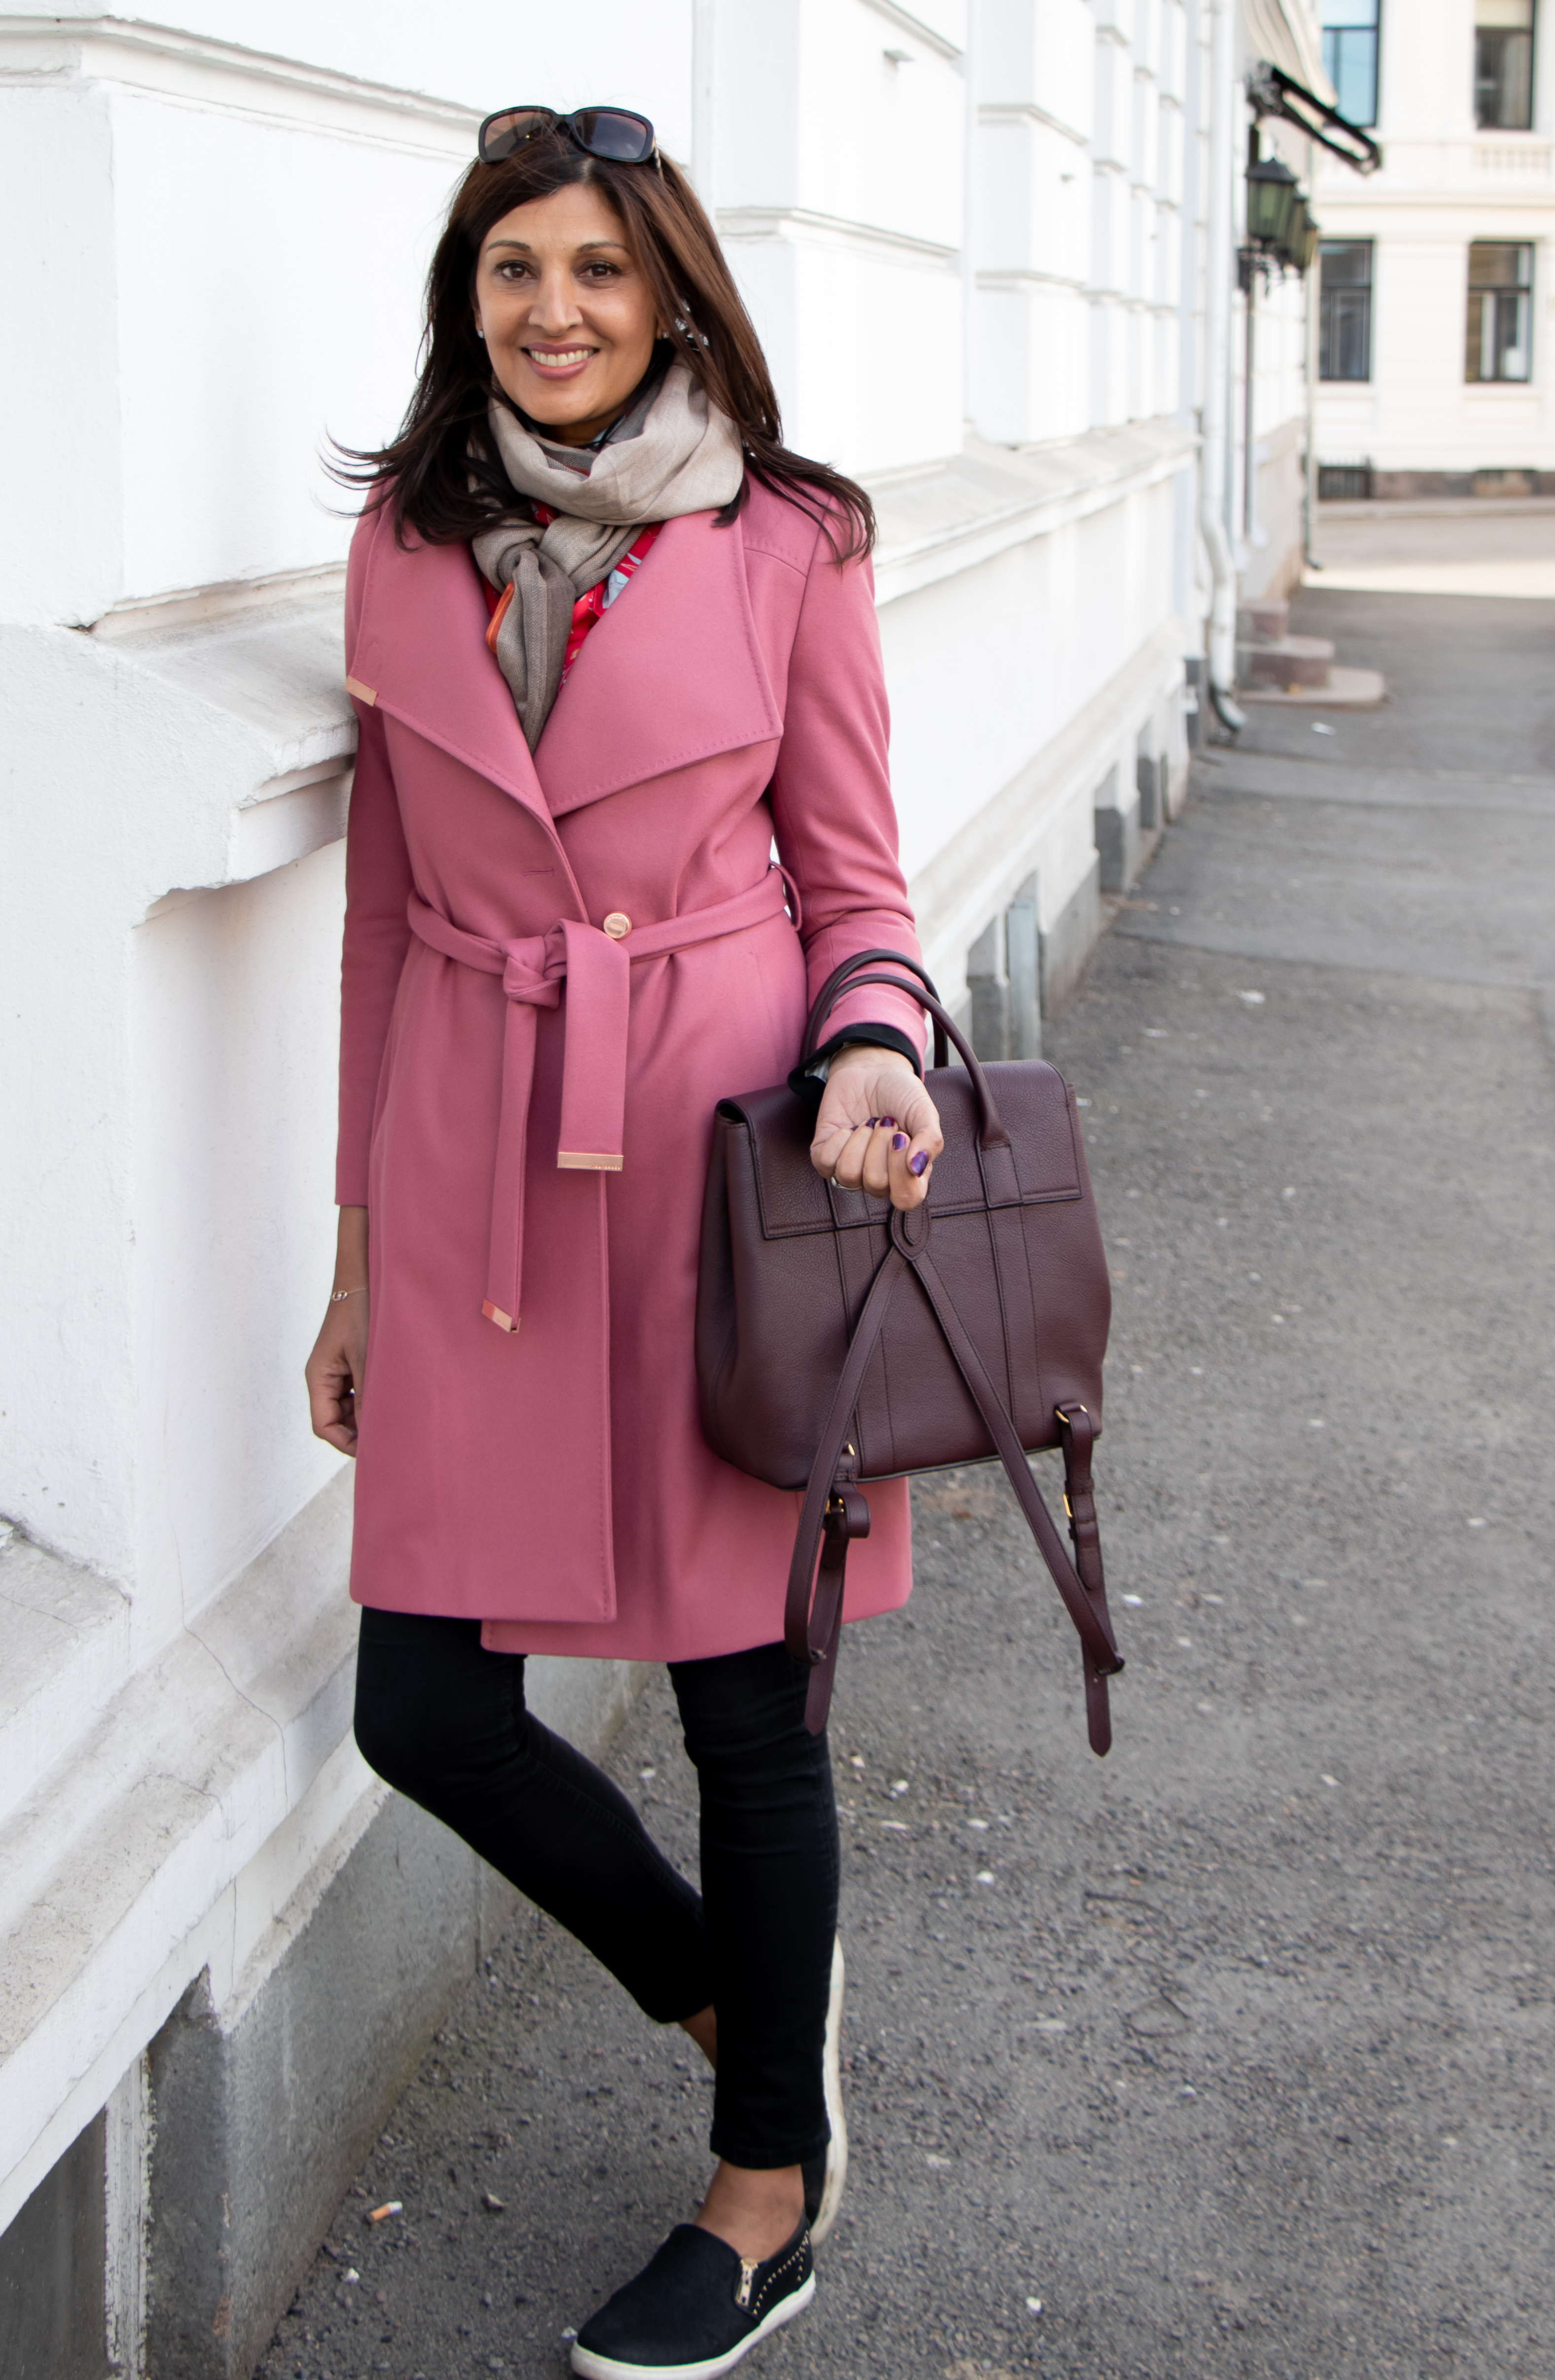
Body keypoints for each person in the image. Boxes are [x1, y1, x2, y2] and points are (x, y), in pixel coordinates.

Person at [305, 103, 943, 2380]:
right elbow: (385, 914)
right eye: (511, 274)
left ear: (669, 290)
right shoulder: (401, 545)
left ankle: (762, 2191)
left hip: (718, 1153)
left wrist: (874, 1046)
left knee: (743, 1703)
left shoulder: (791, 541)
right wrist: (360, 1260)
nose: (554, 312)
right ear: (465, 302)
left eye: (594, 270)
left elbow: (861, 877)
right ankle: (731, 1988)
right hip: (474, 1163)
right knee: (420, 1702)